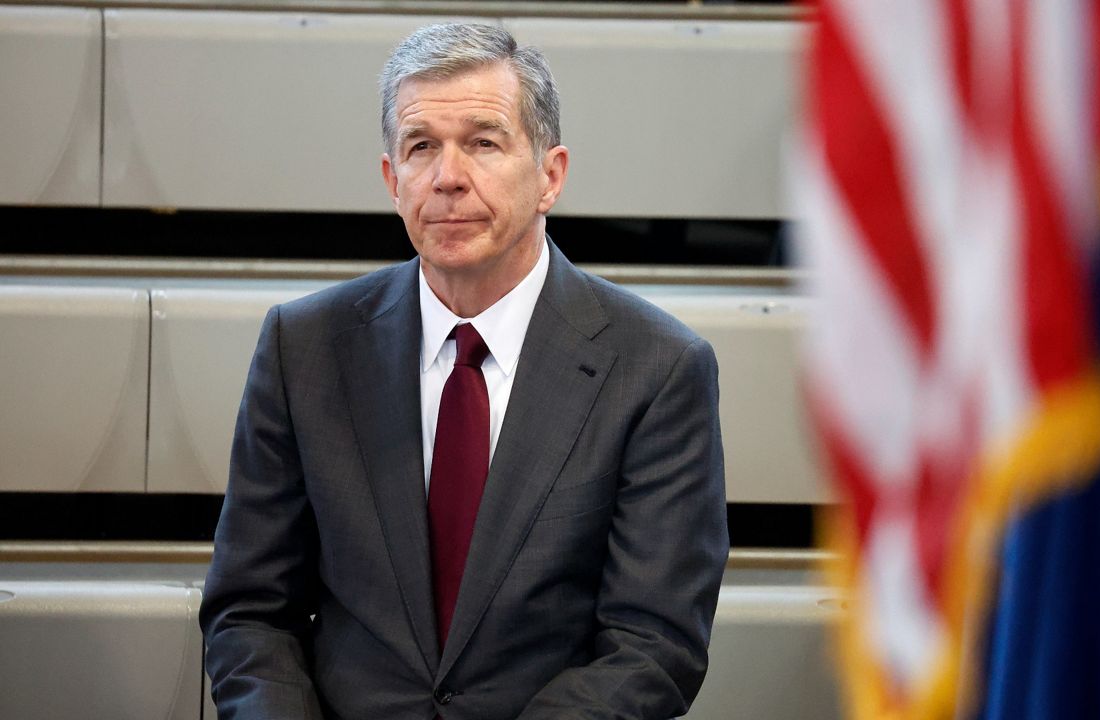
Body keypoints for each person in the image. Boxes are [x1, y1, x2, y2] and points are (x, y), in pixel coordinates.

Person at [199, 22, 729, 720]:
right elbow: (249, 614)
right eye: (421, 148)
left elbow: (651, 646)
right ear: (393, 180)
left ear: (550, 175)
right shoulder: (303, 349)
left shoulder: (659, 369)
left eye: (483, 142)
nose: (448, 177)